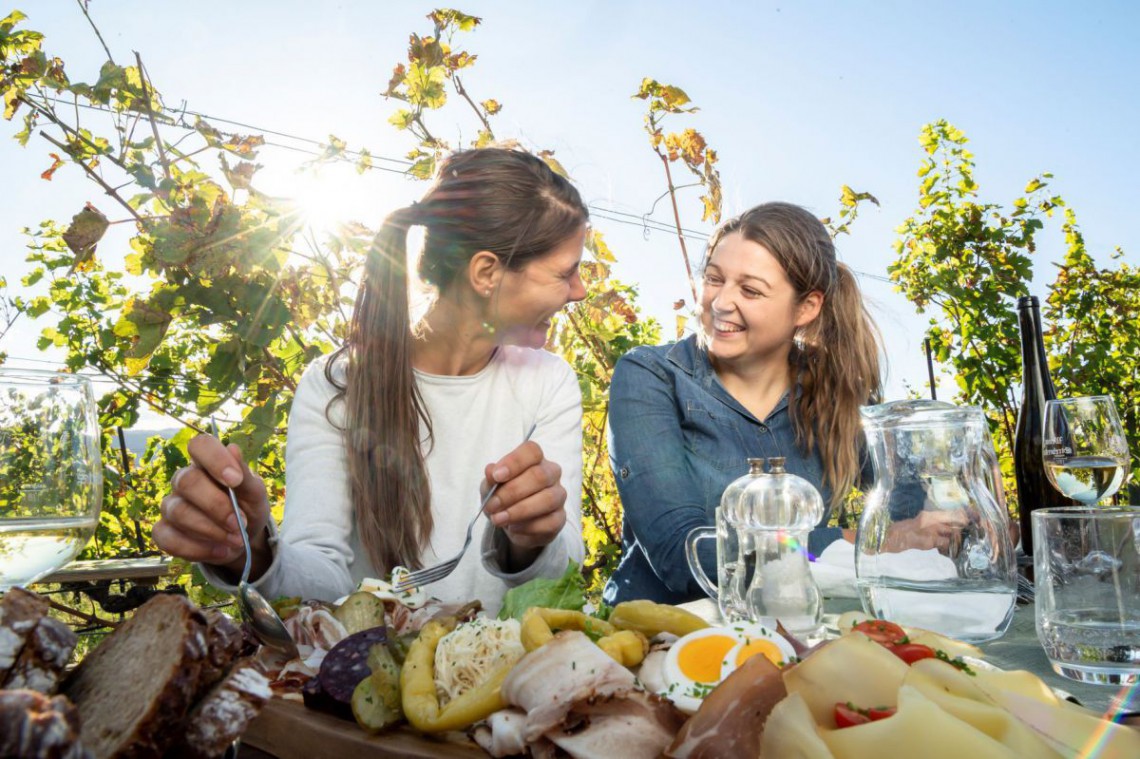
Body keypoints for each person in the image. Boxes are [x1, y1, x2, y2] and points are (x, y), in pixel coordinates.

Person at [153, 148, 588, 613]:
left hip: (506, 673)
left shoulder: (549, 383)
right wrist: (252, 549)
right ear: (486, 273)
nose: (580, 290)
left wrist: (530, 540)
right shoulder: (337, 385)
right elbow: (321, 578)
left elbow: (563, 572)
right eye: (566, 272)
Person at [603, 202, 963, 606]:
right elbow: (685, 556)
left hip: (794, 632)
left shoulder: (834, 394)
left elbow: (910, 508)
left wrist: (953, 518)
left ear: (806, 308)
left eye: (750, 290)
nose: (721, 303)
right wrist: (864, 542)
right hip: (664, 640)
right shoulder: (652, 376)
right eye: (714, 279)